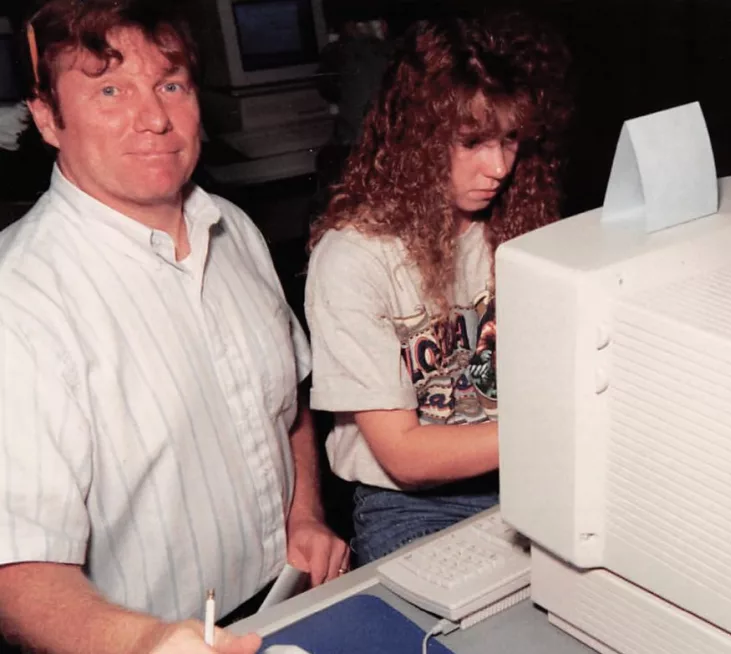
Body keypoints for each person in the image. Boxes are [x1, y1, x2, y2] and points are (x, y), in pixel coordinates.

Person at [0, 1, 349, 652]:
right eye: (110, 89)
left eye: (170, 84)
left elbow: (289, 408)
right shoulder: (19, 303)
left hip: (281, 612)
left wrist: (305, 517)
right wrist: (151, 644)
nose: (154, 118)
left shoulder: (235, 230)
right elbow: (19, 577)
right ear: (48, 118)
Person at [305, 14, 571, 566]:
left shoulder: (518, 223)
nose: (498, 166)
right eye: (471, 142)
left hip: (521, 474)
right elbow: (404, 454)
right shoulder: (352, 258)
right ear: (417, 140)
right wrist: (560, 427)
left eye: (510, 139)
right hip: (410, 505)